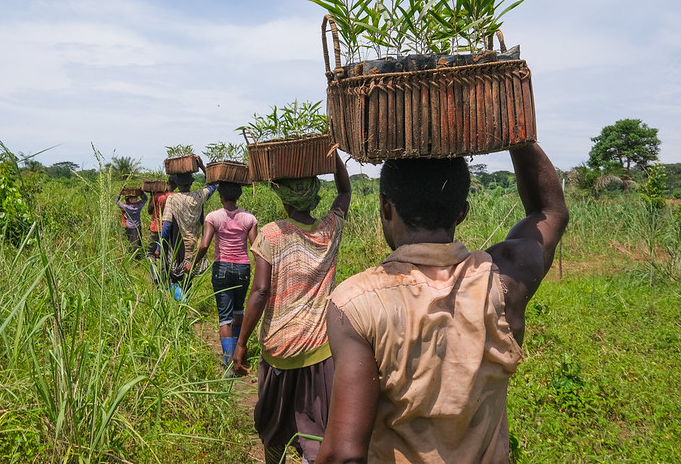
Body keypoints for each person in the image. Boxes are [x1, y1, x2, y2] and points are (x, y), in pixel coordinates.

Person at [318, 143, 569, 464]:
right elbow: (550, 212)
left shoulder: (355, 304)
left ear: (384, 208)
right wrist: (520, 136)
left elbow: (343, 454)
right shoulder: (503, 282)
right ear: (463, 212)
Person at [233, 155, 351, 464]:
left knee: (275, 422)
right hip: (320, 349)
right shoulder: (330, 229)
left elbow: (259, 292)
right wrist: (332, 153)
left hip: (279, 348)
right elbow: (345, 191)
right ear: (312, 194)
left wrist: (241, 343)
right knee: (317, 426)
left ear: (283, 198)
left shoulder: (271, 235)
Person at [186, 182, 258, 371]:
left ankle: (228, 363)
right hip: (243, 268)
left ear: (221, 197)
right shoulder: (249, 218)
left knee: (224, 316)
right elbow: (256, 247)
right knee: (238, 310)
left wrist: (192, 265)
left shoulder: (214, 217)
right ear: (239, 195)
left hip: (222, 268)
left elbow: (204, 245)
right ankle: (238, 357)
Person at [158, 156, 217, 293]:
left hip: (178, 244)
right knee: (188, 273)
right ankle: (186, 300)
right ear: (191, 183)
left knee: (174, 274)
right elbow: (214, 185)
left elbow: (167, 225)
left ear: (177, 184)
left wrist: (159, 246)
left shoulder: (172, 198)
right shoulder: (199, 195)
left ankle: (178, 303)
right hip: (194, 243)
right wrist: (202, 166)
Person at [147, 177, 178, 259]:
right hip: (168, 228)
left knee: (151, 252)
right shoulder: (176, 197)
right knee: (166, 252)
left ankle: (153, 268)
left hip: (155, 227)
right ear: (177, 186)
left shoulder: (158, 195)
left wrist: (151, 197)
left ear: (167, 183)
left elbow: (149, 211)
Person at [115, 188, 149, 259]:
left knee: (130, 240)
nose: (136, 199)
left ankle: (132, 254)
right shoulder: (138, 206)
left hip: (129, 226)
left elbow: (116, 201)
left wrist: (119, 193)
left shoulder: (126, 207)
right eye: (135, 198)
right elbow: (145, 199)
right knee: (138, 239)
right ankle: (138, 255)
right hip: (137, 226)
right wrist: (142, 192)